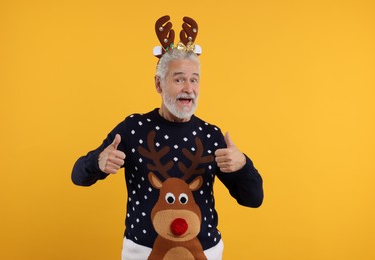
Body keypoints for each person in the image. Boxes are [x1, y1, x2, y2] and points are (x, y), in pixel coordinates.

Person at [72, 15, 263, 260]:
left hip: (202, 253)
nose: (189, 88)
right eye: (179, 79)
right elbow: (77, 176)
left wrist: (242, 165)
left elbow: (254, 199)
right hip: (143, 253)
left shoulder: (212, 136)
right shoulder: (133, 129)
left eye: (194, 79)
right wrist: (97, 162)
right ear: (159, 84)